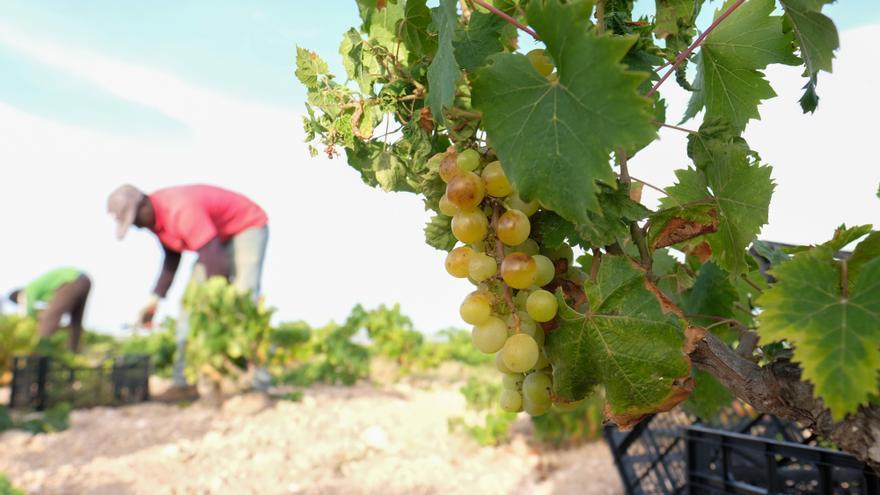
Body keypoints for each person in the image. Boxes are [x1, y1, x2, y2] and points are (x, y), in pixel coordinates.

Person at [107, 184, 269, 398]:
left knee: (241, 301)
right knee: (189, 307)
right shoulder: (157, 222)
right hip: (214, 242)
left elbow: (216, 263)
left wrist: (215, 305)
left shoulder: (180, 210)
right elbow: (172, 258)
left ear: (144, 204)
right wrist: (154, 300)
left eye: (135, 220)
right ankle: (184, 383)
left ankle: (254, 383)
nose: (136, 226)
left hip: (246, 227)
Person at [8, 267, 92, 352]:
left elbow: (29, 311)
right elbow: (53, 304)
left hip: (71, 280)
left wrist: (29, 320)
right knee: (76, 321)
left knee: (47, 319)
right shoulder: (41, 289)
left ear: (18, 296)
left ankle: (42, 352)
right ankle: (73, 351)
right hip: (84, 280)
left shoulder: (28, 290)